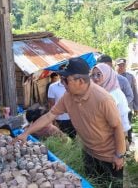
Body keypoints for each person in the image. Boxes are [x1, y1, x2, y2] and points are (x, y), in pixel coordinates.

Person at [14, 57, 125, 187]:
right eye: (62, 79)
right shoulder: (68, 97)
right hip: (88, 151)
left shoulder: (103, 99)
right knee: (91, 183)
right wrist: (26, 133)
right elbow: (50, 115)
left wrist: (119, 155)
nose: (62, 83)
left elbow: (117, 127)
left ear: (81, 81)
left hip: (109, 156)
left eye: (65, 80)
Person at [91, 63, 131, 149]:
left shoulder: (116, 93)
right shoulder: (97, 91)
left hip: (114, 137)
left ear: (107, 75)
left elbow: (123, 118)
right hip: (100, 138)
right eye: (93, 75)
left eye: (99, 74)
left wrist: (125, 139)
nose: (95, 78)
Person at [48, 67, 76, 139]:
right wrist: (53, 121)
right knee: (61, 140)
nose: (64, 75)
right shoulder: (52, 87)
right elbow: (51, 104)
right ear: (59, 74)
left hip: (73, 118)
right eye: (62, 73)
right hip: (59, 119)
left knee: (73, 139)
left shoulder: (74, 85)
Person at [116, 58, 138, 144]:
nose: (121, 67)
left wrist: (136, 107)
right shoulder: (112, 77)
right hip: (115, 107)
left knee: (128, 125)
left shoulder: (130, 77)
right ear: (115, 66)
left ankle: (129, 143)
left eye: (123, 65)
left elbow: (134, 92)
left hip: (128, 106)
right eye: (119, 65)